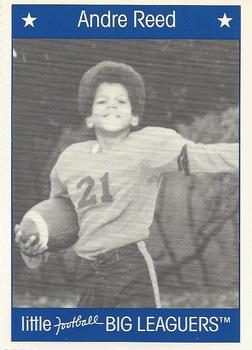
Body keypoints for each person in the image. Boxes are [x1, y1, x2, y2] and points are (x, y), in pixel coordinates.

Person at [15, 61, 238, 308]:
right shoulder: (70, 159)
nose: (111, 105)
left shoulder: (148, 144)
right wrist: (33, 246)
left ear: (134, 116)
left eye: (121, 101)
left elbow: (203, 155)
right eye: (102, 101)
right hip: (88, 272)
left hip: (129, 268)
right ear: (89, 117)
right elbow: (58, 221)